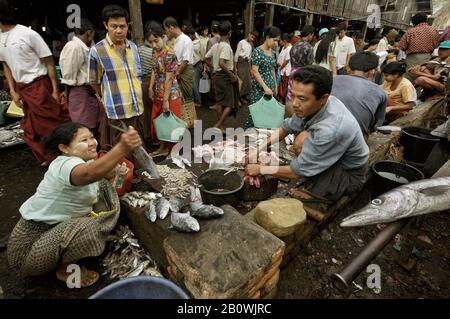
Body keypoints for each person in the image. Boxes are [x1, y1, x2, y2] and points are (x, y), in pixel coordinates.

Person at [7, 122, 142, 288]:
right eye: (84, 140)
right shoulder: (64, 164)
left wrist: (115, 172)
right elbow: (88, 173)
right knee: (92, 227)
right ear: (65, 148)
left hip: (53, 230)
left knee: (104, 188)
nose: (92, 142)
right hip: (27, 251)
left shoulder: (81, 162)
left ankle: (67, 249)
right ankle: (64, 270)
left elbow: (99, 174)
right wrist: (122, 147)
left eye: (92, 137)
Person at [245, 66, 368, 202]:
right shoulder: (313, 105)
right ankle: (313, 173)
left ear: (323, 98)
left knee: (301, 153)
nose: (295, 103)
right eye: (293, 95)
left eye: (302, 98)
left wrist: (261, 169)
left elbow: (296, 172)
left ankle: (323, 194)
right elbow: (286, 127)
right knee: (301, 140)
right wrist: (258, 149)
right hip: (335, 157)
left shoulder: (332, 129)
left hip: (347, 176)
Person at [0, 0, 69, 165]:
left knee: (52, 124)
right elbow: (6, 65)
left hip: (40, 85)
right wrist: (13, 91)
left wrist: (54, 90)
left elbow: (49, 61)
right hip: (22, 88)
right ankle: (49, 157)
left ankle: (65, 157)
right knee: (31, 130)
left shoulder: (27, 34)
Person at [88, 5, 145, 148]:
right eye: (114, 26)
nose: (119, 30)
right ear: (106, 25)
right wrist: (105, 96)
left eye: (122, 26)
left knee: (140, 149)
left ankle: (139, 170)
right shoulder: (97, 51)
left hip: (137, 108)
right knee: (122, 152)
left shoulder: (133, 47)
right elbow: (94, 81)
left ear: (127, 26)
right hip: (117, 110)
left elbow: (137, 75)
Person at [60, 18, 101, 136]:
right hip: (79, 92)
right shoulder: (74, 47)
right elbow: (69, 77)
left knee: (92, 124)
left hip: (87, 91)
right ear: (89, 33)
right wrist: (67, 93)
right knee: (85, 127)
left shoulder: (81, 46)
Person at [332, 52, 387, 139]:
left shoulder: (332, 80)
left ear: (348, 68)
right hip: (353, 140)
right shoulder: (380, 92)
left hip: (321, 132)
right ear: (373, 71)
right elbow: (374, 124)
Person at [148, 23, 183, 157]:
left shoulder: (169, 54)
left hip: (171, 94)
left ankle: (173, 151)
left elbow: (169, 78)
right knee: (160, 123)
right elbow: (154, 70)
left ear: (163, 37)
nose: (154, 45)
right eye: (151, 42)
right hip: (158, 91)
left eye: (156, 41)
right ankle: (162, 147)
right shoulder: (155, 52)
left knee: (172, 124)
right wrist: (150, 87)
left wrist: (166, 100)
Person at [204, 20, 239, 133]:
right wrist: (232, 75)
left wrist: (213, 67)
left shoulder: (216, 46)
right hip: (224, 76)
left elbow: (205, 58)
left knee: (220, 102)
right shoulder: (225, 46)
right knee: (231, 103)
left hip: (216, 76)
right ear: (229, 33)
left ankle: (221, 126)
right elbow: (221, 63)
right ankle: (218, 124)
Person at [244, 26, 280, 129]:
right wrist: (264, 87)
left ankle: (262, 138)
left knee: (267, 113)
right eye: (274, 40)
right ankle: (249, 136)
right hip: (259, 88)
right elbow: (254, 71)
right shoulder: (257, 51)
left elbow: (272, 69)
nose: (276, 43)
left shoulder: (273, 54)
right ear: (267, 37)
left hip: (270, 87)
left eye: (278, 41)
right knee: (256, 113)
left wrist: (275, 85)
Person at [398, 13, 440, 81]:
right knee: (425, 79)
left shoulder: (411, 31)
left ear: (414, 22)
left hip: (412, 59)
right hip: (428, 58)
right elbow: (437, 44)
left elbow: (402, 46)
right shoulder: (434, 30)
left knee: (410, 78)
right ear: (425, 20)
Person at [163, 17, 195, 104]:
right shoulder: (170, 40)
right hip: (175, 70)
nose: (166, 33)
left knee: (186, 96)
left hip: (184, 70)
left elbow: (186, 60)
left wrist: (177, 73)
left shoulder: (186, 40)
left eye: (166, 30)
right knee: (176, 96)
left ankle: (189, 116)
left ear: (171, 28)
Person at [138, 21, 157, 143]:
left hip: (143, 81)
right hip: (151, 82)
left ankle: (146, 135)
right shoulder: (154, 51)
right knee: (153, 110)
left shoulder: (138, 49)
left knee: (146, 110)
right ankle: (152, 135)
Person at [287, 26, 315, 107]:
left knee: (290, 94)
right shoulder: (309, 47)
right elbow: (310, 64)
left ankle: (288, 113)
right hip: (303, 74)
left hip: (293, 72)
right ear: (310, 35)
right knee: (300, 96)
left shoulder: (294, 46)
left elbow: (291, 61)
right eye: (312, 35)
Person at [235, 30, 259, 104]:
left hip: (246, 64)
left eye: (253, 38)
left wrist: (250, 69)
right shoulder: (241, 42)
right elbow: (236, 55)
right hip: (240, 63)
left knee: (246, 82)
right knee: (240, 82)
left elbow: (249, 58)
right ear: (249, 34)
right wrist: (235, 67)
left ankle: (243, 97)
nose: (252, 39)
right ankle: (237, 99)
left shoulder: (251, 45)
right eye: (251, 37)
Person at [185, 26, 203, 107]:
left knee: (195, 84)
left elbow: (202, 55)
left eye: (189, 35)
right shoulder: (189, 42)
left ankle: (198, 101)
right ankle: (193, 100)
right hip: (191, 65)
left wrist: (204, 66)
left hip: (197, 64)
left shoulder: (199, 42)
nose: (188, 37)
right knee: (192, 84)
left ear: (192, 35)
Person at [277, 33, 292, 102]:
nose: (279, 42)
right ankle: (281, 97)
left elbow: (287, 60)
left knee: (284, 86)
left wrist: (280, 68)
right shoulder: (283, 47)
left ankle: (283, 99)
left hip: (285, 71)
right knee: (281, 85)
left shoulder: (289, 48)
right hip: (281, 70)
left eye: (280, 41)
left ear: (285, 41)